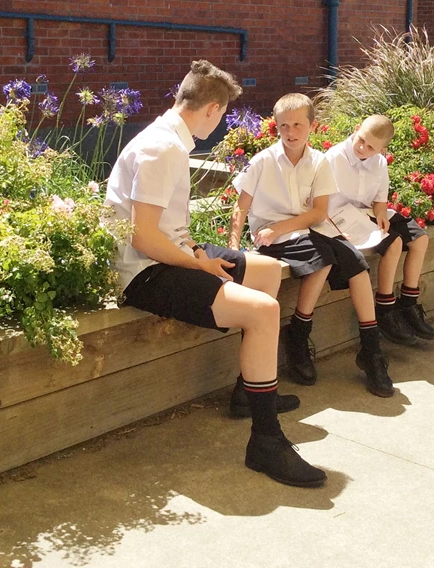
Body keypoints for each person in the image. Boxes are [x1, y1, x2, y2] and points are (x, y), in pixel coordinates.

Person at [105, 62, 326, 488]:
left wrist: (192, 250)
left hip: (170, 254)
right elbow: (144, 239)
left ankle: (250, 393)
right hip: (143, 273)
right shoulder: (161, 148)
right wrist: (201, 264)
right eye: (223, 115)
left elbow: (161, 229)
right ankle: (266, 442)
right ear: (211, 109)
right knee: (262, 312)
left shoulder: (167, 138)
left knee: (265, 271)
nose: (221, 122)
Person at [228, 93, 394, 398]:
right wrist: (235, 246)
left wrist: (284, 226)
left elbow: (318, 213)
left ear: (312, 126)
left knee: (356, 263)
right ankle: (299, 333)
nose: (290, 132)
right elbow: (240, 207)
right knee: (324, 256)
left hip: (306, 230)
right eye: (283, 126)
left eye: (297, 125)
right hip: (273, 238)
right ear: (276, 127)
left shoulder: (319, 162)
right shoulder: (263, 161)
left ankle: (371, 353)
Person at [325, 115, 434, 347]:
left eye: (371, 147)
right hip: (338, 218)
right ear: (356, 129)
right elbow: (322, 202)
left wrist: (382, 214)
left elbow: (379, 200)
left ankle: (408, 305)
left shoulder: (379, 163)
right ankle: (385, 309)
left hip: (368, 214)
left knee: (420, 239)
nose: (363, 148)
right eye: (361, 140)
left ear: (382, 149)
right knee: (393, 244)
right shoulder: (334, 157)